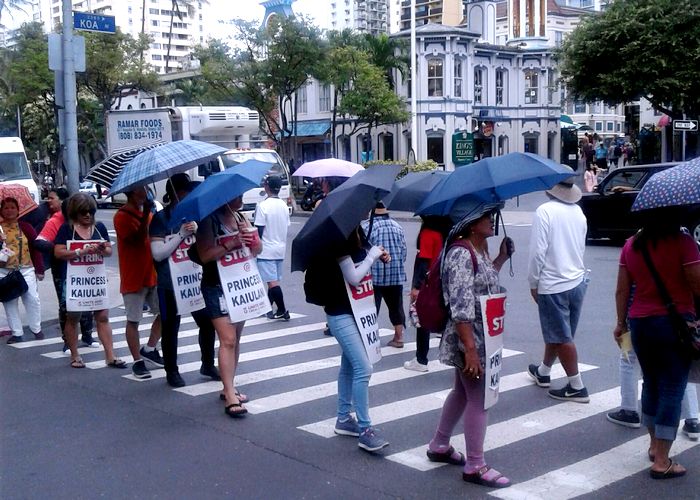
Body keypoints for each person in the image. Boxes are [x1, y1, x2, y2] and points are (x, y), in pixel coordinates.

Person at [427, 200, 514, 488]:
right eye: (486, 216)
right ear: (471, 222)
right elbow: (461, 305)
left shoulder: (476, 251)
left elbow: (483, 285)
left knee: (462, 393)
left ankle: (439, 444)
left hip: (480, 334)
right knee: (479, 398)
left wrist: (501, 257)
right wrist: (471, 351)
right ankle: (475, 465)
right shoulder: (461, 254)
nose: (492, 220)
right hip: (471, 337)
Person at [613, 207, 700, 479]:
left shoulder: (631, 246)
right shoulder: (684, 243)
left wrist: (621, 323)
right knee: (673, 386)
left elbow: (622, 290)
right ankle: (662, 460)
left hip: (640, 323)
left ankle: (654, 445)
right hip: (675, 323)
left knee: (650, 383)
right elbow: (697, 285)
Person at [308, 225, 391, 451]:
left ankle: (343, 419)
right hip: (340, 313)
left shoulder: (357, 233)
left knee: (350, 367)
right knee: (364, 368)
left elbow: (361, 264)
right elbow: (353, 277)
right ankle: (365, 429)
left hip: (359, 310)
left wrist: (377, 254)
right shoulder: (338, 237)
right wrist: (372, 256)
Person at [149, 174, 219, 388]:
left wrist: (198, 232)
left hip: (195, 279)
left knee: (207, 322)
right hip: (169, 283)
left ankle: (207, 364)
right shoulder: (161, 219)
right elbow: (158, 254)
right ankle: (172, 371)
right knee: (171, 327)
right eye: (187, 192)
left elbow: (207, 247)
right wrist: (180, 234)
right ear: (177, 194)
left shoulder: (197, 215)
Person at [196, 195, 262, 418]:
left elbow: (257, 250)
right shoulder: (209, 222)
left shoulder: (240, 216)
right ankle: (230, 394)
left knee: (237, 338)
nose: (240, 198)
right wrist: (231, 243)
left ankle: (229, 386)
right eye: (236, 196)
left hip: (240, 285)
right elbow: (205, 255)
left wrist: (251, 238)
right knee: (228, 339)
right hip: (217, 286)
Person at [526, 174, 590, 403]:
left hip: (554, 283)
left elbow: (537, 253)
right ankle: (543, 371)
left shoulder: (545, 211)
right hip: (576, 279)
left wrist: (533, 282)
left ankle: (576, 385)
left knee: (561, 335)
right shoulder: (578, 213)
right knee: (559, 331)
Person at [54, 194, 125, 369]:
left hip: (95, 280)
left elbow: (109, 250)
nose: (87, 215)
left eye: (90, 212)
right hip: (75, 280)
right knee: (73, 317)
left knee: (102, 316)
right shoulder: (67, 229)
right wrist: (80, 252)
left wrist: (102, 249)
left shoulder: (99, 228)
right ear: (75, 213)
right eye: (83, 212)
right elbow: (58, 252)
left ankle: (110, 355)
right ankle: (75, 355)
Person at [35, 187, 96, 348]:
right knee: (67, 305)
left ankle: (88, 335)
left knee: (88, 301)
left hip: (84, 269)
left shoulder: (88, 223)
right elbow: (39, 241)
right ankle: (68, 341)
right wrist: (58, 249)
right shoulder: (56, 222)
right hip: (63, 270)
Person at [114, 187, 163, 380]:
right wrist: (145, 216)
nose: (147, 192)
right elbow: (135, 238)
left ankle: (150, 348)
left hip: (152, 272)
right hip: (133, 276)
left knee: (164, 313)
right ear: (133, 193)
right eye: (142, 190)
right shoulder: (121, 216)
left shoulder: (148, 213)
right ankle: (137, 360)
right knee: (133, 319)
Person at [404, 216, 453, 372]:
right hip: (442, 280)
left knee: (422, 319)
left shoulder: (428, 233)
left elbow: (423, 261)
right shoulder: (446, 232)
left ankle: (421, 359)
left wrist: (416, 287)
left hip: (428, 282)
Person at [361, 201, 407, 348]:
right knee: (396, 307)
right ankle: (399, 337)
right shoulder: (398, 227)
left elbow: (363, 253)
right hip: (395, 275)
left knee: (372, 310)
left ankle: (370, 339)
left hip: (374, 276)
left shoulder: (367, 227)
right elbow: (403, 253)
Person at [0, 197, 44, 343]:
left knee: (32, 299)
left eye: (12, 207)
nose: (9, 210)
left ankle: (36, 328)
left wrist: (40, 269)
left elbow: (35, 247)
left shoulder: (26, 227)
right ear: (1, 210)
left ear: (18, 210)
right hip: (4, 271)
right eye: (6, 208)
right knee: (10, 302)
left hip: (25, 269)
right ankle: (17, 333)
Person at [254, 175, 291, 321]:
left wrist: (254, 247)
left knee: (272, 282)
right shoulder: (283, 205)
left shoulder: (263, 206)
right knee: (273, 280)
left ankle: (282, 309)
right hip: (280, 248)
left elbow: (259, 230)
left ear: (266, 187)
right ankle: (268, 307)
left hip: (266, 248)